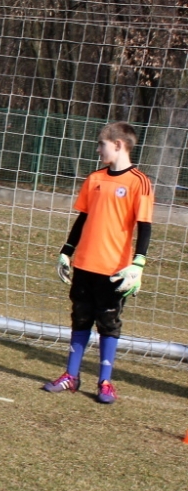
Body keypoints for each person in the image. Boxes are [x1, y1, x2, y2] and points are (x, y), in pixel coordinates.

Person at [42, 121, 153, 404]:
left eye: (101, 144)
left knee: (108, 323)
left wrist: (138, 264)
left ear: (118, 145)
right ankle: (71, 376)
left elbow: (144, 225)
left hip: (114, 269)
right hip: (85, 264)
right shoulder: (95, 179)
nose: (98, 149)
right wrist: (66, 251)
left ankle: (105, 382)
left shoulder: (139, 182)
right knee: (80, 318)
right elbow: (83, 218)